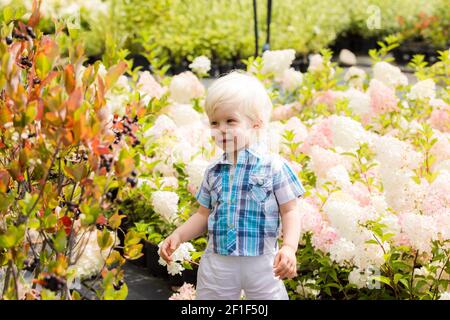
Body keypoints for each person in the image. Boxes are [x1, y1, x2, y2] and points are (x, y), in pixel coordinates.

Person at [160, 71, 306, 300]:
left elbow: (290, 211)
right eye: (215, 123)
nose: (221, 129)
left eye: (231, 121)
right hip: (218, 263)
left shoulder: (273, 167)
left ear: (255, 124)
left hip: (262, 261)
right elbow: (202, 215)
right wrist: (178, 235)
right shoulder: (214, 170)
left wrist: (288, 247)